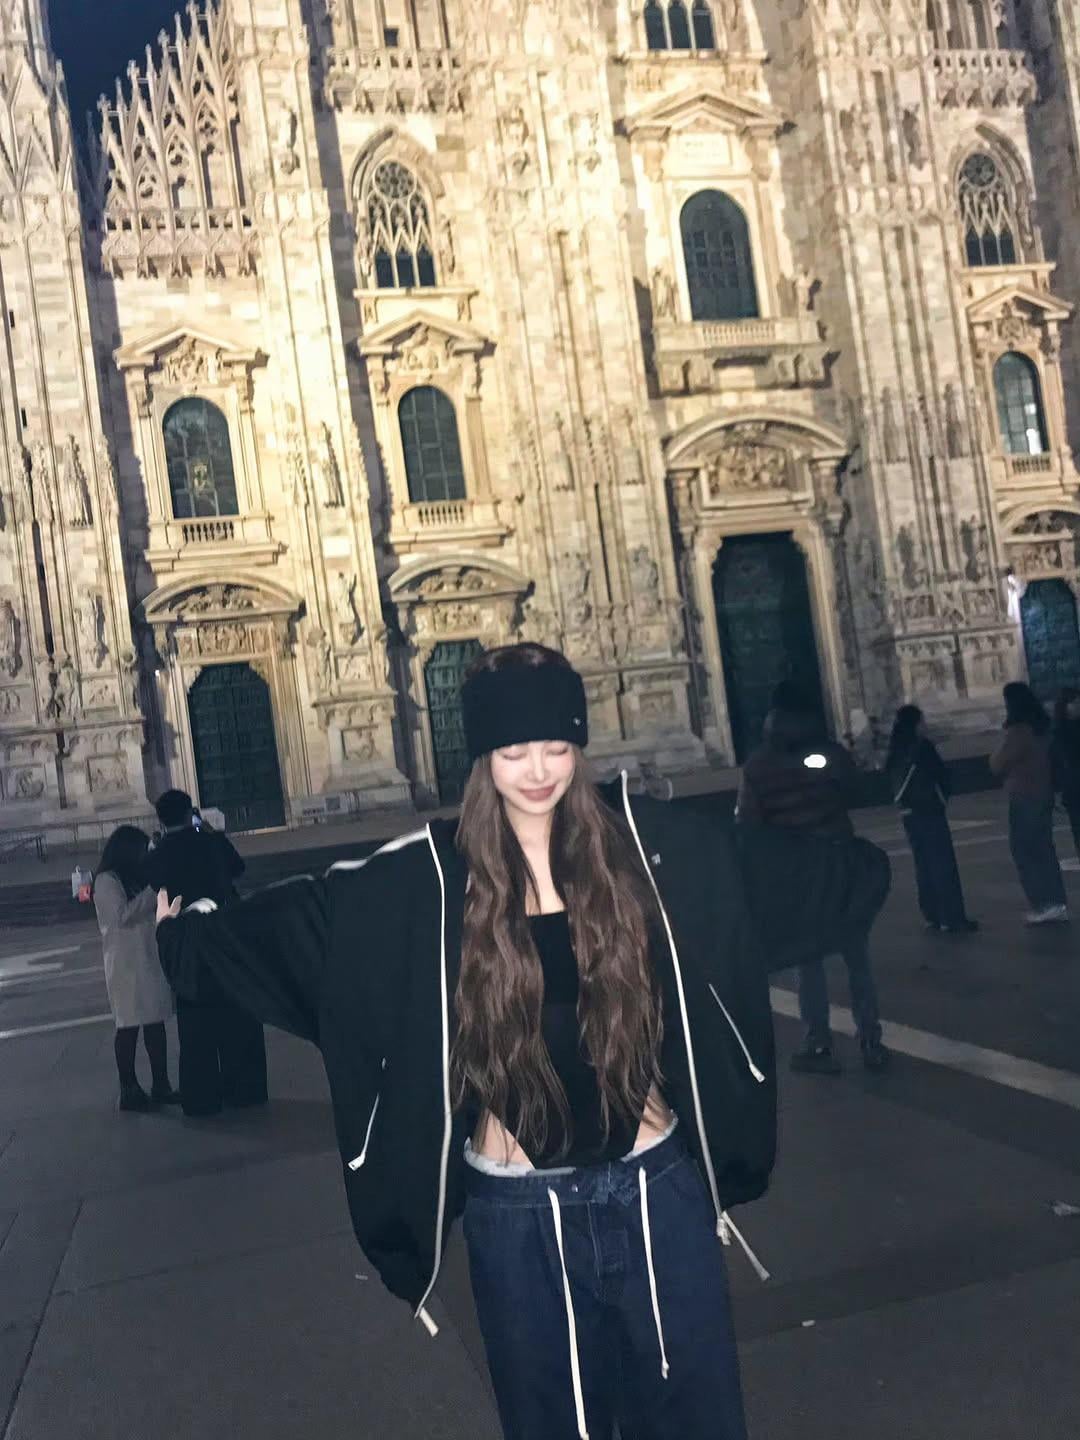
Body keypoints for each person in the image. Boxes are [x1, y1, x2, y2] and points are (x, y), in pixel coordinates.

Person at [156, 643, 890, 1440]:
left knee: (697, 1420)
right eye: (513, 751)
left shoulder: (648, 853)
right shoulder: (428, 881)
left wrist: (853, 862)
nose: (538, 769)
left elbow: (765, 880)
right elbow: (307, 932)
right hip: (519, 1212)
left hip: (654, 1189)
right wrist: (189, 938)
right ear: (482, 758)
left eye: (555, 746)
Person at [737, 683, 890, 1075]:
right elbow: (855, 789)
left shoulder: (759, 765)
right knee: (857, 957)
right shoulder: (828, 754)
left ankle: (819, 1042)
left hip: (799, 874)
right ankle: (870, 1039)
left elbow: (749, 823)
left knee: (807, 960)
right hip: (842, 865)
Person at [145, 789, 268, 1115]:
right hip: (224, 934)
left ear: (161, 820)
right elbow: (238, 867)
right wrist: (210, 833)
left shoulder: (158, 854)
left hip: (186, 941)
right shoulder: (211, 842)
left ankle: (202, 1097)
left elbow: (154, 885)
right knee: (237, 1013)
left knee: (195, 1022)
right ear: (191, 813)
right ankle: (244, 1090)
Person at [92, 825, 179, 1112]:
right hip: (125, 964)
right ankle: (128, 1087)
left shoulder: (134, 877)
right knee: (128, 1025)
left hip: (148, 957)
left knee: (155, 1021)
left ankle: (161, 1084)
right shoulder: (106, 881)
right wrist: (153, 891)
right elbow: (121, 916)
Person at [885, 705, 977, 935]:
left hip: (908, 812)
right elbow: (940, 774)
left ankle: (932, 915)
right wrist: (943, 797)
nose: (924, 725)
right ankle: (952, 917)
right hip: (929, 810)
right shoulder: (922, 747)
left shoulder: (896, 749)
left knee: (923, 864)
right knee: (943, 864)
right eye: (922, 721)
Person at [990, 682, 1068, 924]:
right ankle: (1057, 901)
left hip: (1024, 797)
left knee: (1025, 852)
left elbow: (996, 764)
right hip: (1043, 794)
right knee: (1045, 850)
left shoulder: (1019, 732)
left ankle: (1043, 903)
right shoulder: (1041, 727)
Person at [1052, 687, 1080, 859]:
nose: (1078, 705)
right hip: (1073, 789)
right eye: (1074, 702)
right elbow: (1057, 764)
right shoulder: (1059, 732)